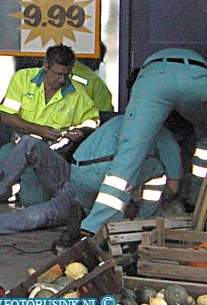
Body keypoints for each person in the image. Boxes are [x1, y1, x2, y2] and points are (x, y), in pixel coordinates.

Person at [0, 114, 181, 247]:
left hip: (73, 172)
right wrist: (147, 221)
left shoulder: (122, 120)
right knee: (36, 216)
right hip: (90, 193)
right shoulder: (163, 142)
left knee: (30, 148)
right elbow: (170, 186)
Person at [0, 45, 100, 220]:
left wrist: (81, 130)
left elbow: (93, 121)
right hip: (17, 146)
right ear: (45, 66)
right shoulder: (23, 79)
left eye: (66, 74)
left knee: (32, 201)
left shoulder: (77, 93)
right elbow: (6, 117)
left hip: (50, 154)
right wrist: (40, 131)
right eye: (58, 74)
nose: (62, 80)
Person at [85, 48, 207, 230]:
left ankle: (94, 227)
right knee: (204, 142)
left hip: (155, 76)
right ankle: (196, 202)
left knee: (129, 155)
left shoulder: (146, 73)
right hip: (198, 76)